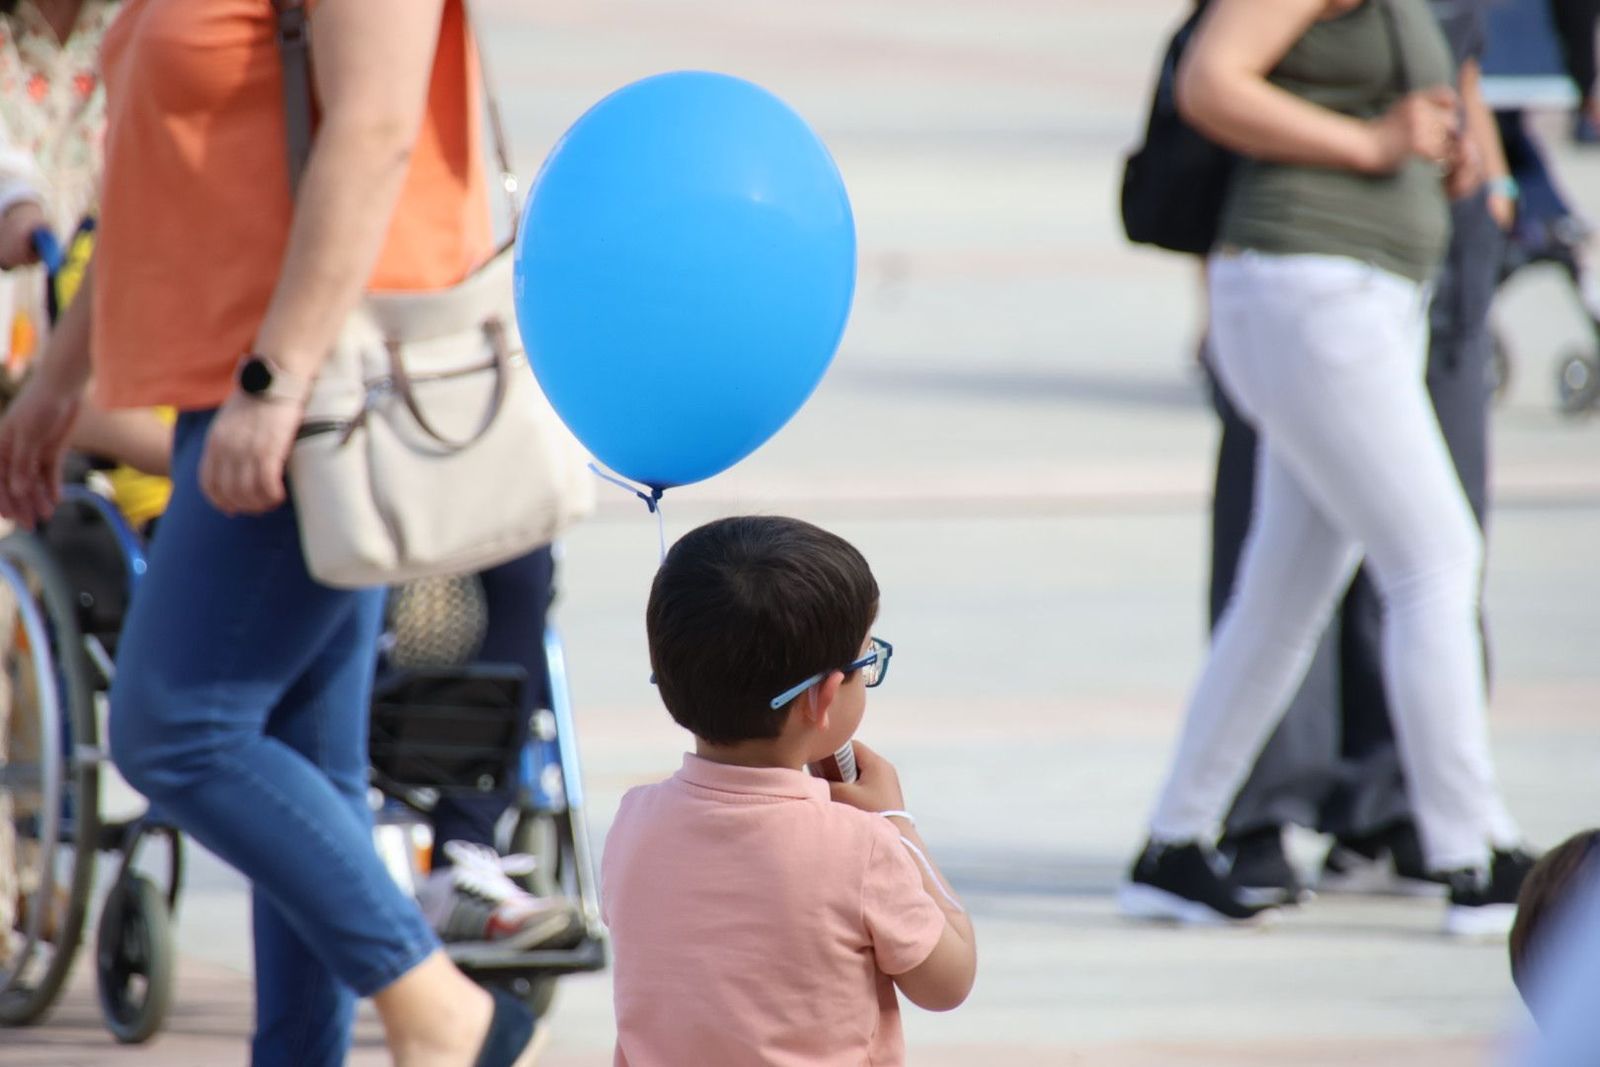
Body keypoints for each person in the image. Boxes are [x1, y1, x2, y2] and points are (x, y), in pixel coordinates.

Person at [0, 2, 543, 1064]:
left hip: (308, 392)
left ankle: (441, 1005)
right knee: (309, 762)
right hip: (230, 384)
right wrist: (60, 380)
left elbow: (377, 128)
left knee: (176, 730)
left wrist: (276, 378)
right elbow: (161, 190)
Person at [1119, 0, 1530, 936]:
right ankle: (1475, 854)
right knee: (1435, 561)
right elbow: (1211, 80)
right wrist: (1374, 143)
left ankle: (1172, 847)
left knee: (1284, 593)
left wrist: (1451, 151)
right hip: (1312, 288)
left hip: (1349, 296)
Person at [603, 516, 977, 1065]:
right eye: (867, 661)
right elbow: (949, 979)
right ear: (824, 698)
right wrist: (897, 822)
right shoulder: (862, 847)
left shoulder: (633, 822)